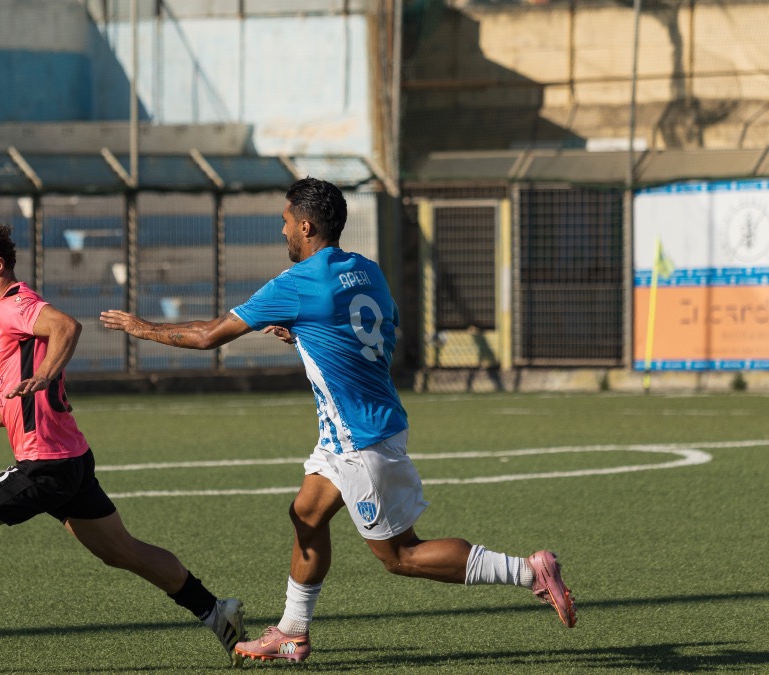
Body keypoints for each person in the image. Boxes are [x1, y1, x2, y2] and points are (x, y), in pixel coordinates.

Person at [100, 178, 577, 664]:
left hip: (360, 439)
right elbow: (379, 329)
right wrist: (310, 333)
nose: (281, 229)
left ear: (306, 226)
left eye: (286, 221)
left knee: (400, 557)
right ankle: (292, 632)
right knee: (306, 515)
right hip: (354, 430)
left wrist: (142, 328)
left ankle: (527, 571)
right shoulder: (366, 270)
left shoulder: (299, 283)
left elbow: (207, 336)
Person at [0, 221, 246, 666]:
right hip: (69, 459)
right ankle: (215, 611)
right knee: (123, 552)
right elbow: (28, 396)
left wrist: (46, 373)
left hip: (45, 466)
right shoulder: (10, 311)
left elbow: (67, 326)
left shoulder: (15, 306)